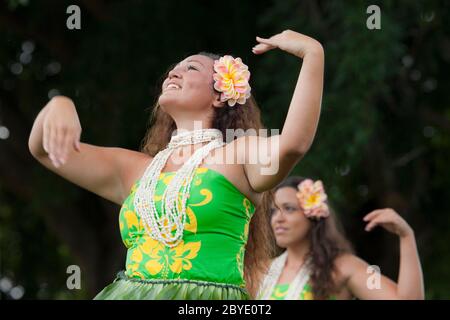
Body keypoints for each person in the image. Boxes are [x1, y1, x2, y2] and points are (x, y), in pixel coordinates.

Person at [28, 30, 325, 299]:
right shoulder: (134, 169)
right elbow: (43, 149)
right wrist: (59, 104)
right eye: (173, 69)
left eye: (191, 67)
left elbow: (293, 144)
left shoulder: (239, 155)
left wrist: (312, 53)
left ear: (221, 95)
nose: (174, 73)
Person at [257, 176, 425, 300]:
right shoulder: (263, 271)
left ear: (313, 214)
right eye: (273, 211)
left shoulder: (342, 267)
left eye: (289, 209)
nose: (277, 218)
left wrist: (406, 236)